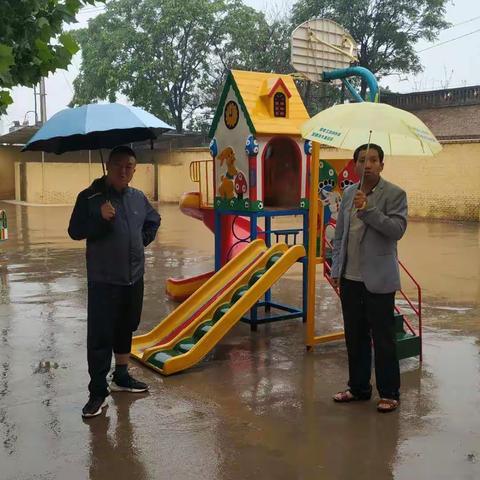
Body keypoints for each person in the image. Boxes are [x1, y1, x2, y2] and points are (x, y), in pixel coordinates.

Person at [68, 145, 160, 418]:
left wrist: (141, 241)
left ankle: (121, 376)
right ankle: (97, 392)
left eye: (129, 166)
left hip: (133, 277)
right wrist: (99, 216)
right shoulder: (89, 197)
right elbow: (74, 231)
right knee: (100, 337)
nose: (124, 170)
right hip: (103, 279)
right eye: (118, 165)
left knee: (125, 327)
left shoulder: (137, 197)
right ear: (108, 166)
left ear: (134, 169)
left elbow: (154, 220)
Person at [330, 143, 407, 413]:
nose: (369, 164)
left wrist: (369, 210)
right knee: (355, 336)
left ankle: (389, 392)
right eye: (363, 160)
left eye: (374, 159)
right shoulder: (349, 193)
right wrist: (336, 270)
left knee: (384, 339)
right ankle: (359, 388)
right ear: (355, 165)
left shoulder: (395, 194)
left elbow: (397, 230)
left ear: (382, 165)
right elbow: (340, 235)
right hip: (350, 279)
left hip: (379, 280)